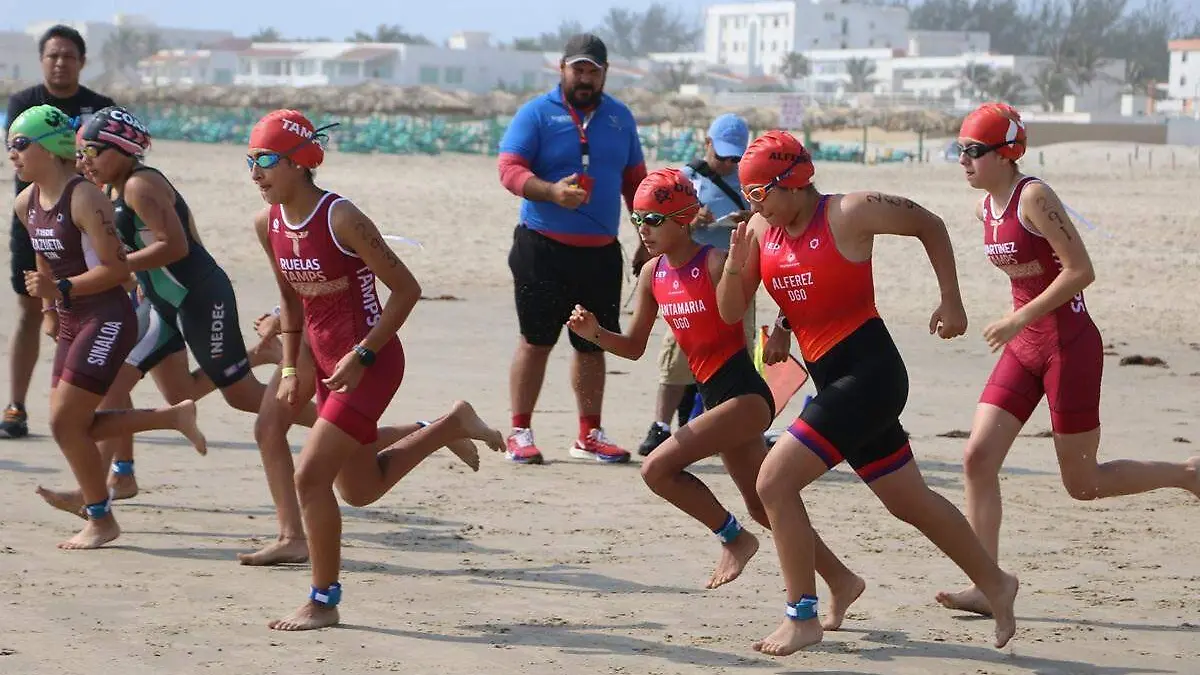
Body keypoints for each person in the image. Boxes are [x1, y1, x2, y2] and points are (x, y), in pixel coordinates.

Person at [715, 130, 1019, 655]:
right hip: (832, 379)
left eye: (760, 193)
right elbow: (728, 312)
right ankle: (996, 583)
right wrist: (739, 269)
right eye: (748, 196)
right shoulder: (763, 233)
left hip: (872, 372)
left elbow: (929, 223)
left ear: (794, 180)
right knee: (910, 501)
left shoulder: (850, 213)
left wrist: (951, 301)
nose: (755, 205)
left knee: (773, 482)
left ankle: (801, 615)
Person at [935, 103, 1200, 617]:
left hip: (1069, 347)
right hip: (1024, 346)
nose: (963, 160)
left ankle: (1188, 474)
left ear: (1006, 153)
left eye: (974, 151)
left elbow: (1081, 270)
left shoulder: (1033, 196)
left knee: (1084, 485)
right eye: (960, 150)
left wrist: (1016, 319)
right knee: (976, 459)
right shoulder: (983, 209)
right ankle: (990, 583)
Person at [567, 168, 867, 615]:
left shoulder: (711, 262)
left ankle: (734, 538)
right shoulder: (652, 275)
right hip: (714, 398)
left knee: (656, 468)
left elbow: (774, 283)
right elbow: (632, 348)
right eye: (637, 220)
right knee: (766, 507)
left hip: (744, 396)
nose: (643, 230)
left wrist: (780, 321)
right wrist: (596, 334)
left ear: (685, 217)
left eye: (654, 220)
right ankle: (842, 579)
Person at [248, 109, 504, 629]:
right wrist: (294, 370)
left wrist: (363, 353)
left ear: (300, 163)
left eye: (267, 160)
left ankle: (324, 600)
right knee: (360, 489)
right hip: (322, 363)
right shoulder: (267, 222)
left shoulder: (340, 218)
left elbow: (407, 289)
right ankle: (446, 426)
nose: (256, 172)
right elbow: (291, 302)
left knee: (311, 477)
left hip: (373, 360)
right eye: (250, 160)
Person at [34, 106, 288, 516]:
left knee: (242, 396)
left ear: (122, 151)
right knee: (127, 387)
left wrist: (118, 267)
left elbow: (176, 247)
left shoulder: (139, 186)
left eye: (93, 152)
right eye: (81, 153)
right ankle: (104, 485)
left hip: (199, 297)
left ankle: (340, 426)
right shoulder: (111, 188)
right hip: (159, 301)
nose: (85, 162)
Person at [9, 104, 205, 549]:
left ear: (51, 148)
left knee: (64, 423)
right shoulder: (26, 202)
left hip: (108, 317)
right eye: (9, 146)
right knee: (70, 423)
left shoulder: (85, 198)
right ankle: (169, 417)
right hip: (74, 316)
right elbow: (45, 257)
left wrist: (58, 289)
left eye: (21, 144)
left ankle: (100, 517)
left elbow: (118, 270)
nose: (12, 155)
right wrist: (49, 310)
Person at [496, 33, 648, 465]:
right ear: (561, 69)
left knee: (592, 343)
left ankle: (589, 434)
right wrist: (549, 191)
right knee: (536, 340)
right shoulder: (536, 114)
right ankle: (520, 431)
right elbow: (509, 170)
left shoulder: (620, 118)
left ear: (605, 73)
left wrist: (645, 236)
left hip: (600, 252)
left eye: (593, 70)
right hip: (541, 246)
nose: (585, 78)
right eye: (577, 69)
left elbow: (636, 183)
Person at [3, 24, 115, 439]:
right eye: (53, 55)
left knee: (92, 305)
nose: (60, 62)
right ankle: (15, 403)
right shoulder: (23, 103)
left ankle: (91, 398)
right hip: (35, 223)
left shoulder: (99, 106)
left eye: (69, 55)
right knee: (32, 310)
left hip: (85, 220)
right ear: (41, 60)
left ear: (82, 62)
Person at [636, 113, 759, 456]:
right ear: (707, 145)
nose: (728, 164)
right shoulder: (684, 179)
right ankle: (660, 425)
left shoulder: (749, 180)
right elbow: (655, 221)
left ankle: (726, 425)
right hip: (690, 275)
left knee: (737, 350)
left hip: (735, 272)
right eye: (722, 156)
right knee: (677, 352)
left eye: (736, 157)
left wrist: (752, 218)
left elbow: (769, 218)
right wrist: (692, 218)